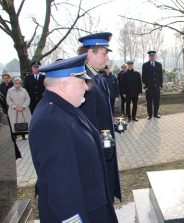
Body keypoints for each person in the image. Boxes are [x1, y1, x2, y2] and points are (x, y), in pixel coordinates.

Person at [29, 54, 118, 222]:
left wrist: (102, 148)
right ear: (63, 86)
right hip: (82, 214)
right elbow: (61, 189)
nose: (86, 87)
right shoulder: (50, 121)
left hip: (93, 207)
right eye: (81, 82)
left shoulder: (66, 107)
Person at [77, 32, 121, 203]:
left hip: (104, 145)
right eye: (104, 53)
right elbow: (87, 121)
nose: (107, 58)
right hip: (96, 149)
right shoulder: (85, 81)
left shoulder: (96, 76)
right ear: (89, 54)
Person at [142, 50, 163, 120]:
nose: (152, 57)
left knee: (156, 100)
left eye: (153, 56)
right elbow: (144, 76)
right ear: (149, 57)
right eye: (150, 56)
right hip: (149, 86)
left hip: (156, 86)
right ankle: (150, 115)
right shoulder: (145, 65)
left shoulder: (159, 65)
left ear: (155, 56)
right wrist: (145, 85)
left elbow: (160, 75)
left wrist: (160, 84)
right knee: (149, 101)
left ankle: (156, 113)